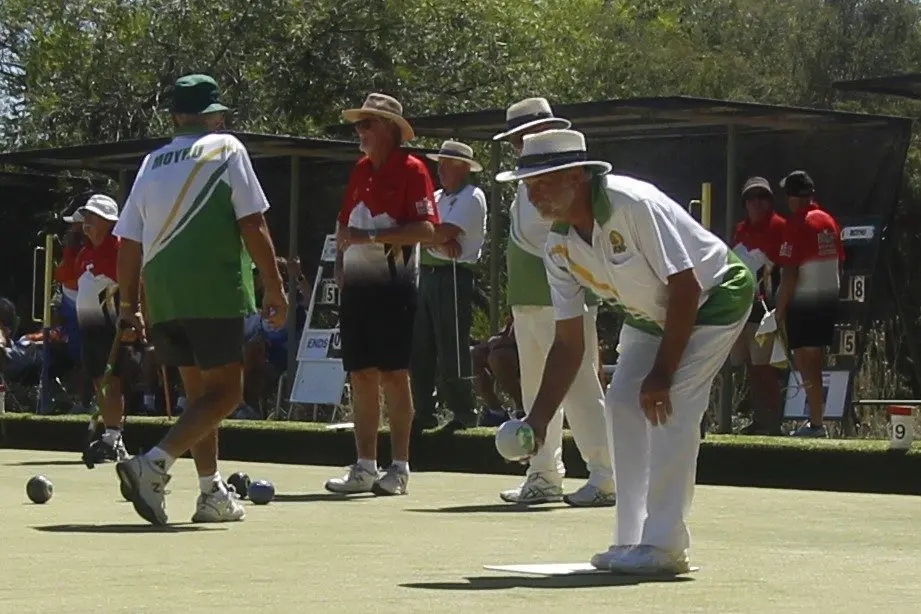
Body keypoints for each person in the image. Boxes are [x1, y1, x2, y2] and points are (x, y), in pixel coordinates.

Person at [496, 129, 753, 574]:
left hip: (714, 299)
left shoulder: (631, 204)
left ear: (575, 175)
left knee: (669, 407)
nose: (532, 193)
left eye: (542, 181)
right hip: (650, 316)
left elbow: (686, 288)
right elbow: (568, 343)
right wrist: (537, 420)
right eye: (527, 184)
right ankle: (631, 539)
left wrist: (663, 373)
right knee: (619, 402)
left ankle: (666, 545)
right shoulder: (556, 247)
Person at [112, 74, 288, 526]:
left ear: (175, 116)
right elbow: (253, 223)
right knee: (227, 393)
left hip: (164, 294)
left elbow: (128, 241)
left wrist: (130, 305)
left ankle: (211, 492)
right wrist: (274, 284)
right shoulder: (226, 148)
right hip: (213, 287)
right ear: (212, 115)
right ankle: (153, 463)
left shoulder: (151, 163)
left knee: (199, 398)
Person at [493, 97, 615, 507]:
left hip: (564, 297)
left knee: (579, 383)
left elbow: (561, 244)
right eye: (515, 140)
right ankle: (543, 472)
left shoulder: (555, 183)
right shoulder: (528, 184)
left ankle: (606, 473)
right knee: (535, 388)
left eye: (524, 136)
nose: (519, 146)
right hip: (529, 300)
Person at [325, 93, 438, 497]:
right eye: (358, 124)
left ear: (389, 128)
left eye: (367, 124)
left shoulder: (414, 169)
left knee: (393, 373)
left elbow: (427, 231)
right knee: (360, 374)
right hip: (357, 287)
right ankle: (365, 466)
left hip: (396, 285)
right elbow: (343, 227)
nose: (360, 131)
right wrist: (340, 264)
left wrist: (368, 236)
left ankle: (401, 467)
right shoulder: (358, 170)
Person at [410, 140, 488, 432]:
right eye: (440, 163)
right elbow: (421, 229)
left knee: (451, 347)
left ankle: (464, 413)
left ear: (464, 168)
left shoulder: (472, 196)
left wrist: (433, 236)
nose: (440, 169)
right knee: (420, 347)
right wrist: (436, 239)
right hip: (426, 273)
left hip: (453, 275)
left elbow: (440, 231)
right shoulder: (438, 195)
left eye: (448, 164)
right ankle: (423, 412)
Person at [775, 170, 844, 438]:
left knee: (805, 359)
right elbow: (840, 260)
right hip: (828, 297)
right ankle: (817, 421)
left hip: (805, 301)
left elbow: (790, 273)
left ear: (793, 197)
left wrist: (779, 311)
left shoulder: (796, 224)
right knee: (814, 360)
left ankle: (816, 424)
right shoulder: (828, 220)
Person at [75, 195, 134, 466]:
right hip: (88, 328)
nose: (86, 223)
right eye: (85, 217)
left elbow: (134, 284)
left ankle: (114, 439)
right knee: (99, 380)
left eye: (92, 218)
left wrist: (135, 316)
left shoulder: (120, 249)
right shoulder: (85, 253)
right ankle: (111, 436)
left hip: (111, 326)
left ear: (108, 222)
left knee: (112, 383)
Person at [729, 177, 787, 435]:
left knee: (765, 366)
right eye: (752, 198)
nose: (757, 203)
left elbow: (781, 265)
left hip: (767, 309)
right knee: (750, 365)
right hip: (743, 306)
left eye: (763, 197)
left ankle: (773, 422)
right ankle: (759, 418)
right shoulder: (741, 229)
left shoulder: (779, 226)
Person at [471, 315, 522, 422]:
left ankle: (522, 408)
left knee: (499, 356)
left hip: (529, 340)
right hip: (512, 339)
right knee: (474, 354)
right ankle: (496, 412)